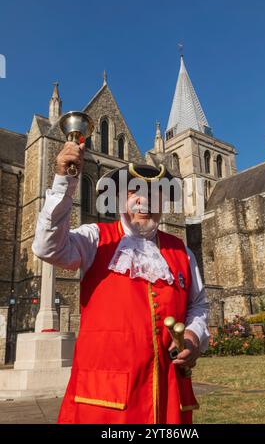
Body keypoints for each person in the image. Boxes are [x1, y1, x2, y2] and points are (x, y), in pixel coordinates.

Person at [32, 140, 210, 424]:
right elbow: (47, 248)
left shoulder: (182, 252)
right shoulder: (95, 238)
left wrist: (192, 336)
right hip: (104, 403)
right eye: (135, 193)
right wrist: (64, 181)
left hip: (167, 399)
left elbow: (198, 305)